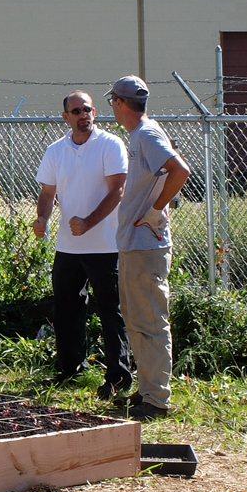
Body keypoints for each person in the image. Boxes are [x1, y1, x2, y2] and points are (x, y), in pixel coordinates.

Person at [32, 91, 130, 398]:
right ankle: (70, 370)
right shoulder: (55, 150)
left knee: (110, 312)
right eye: (75, 111)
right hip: (68, 247)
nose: (82, 114)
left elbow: (118, 190)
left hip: (105, 246)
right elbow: (48, 193)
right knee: (67, 310)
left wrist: (87, 222)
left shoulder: (110, 145)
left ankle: (117, 378)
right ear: (66, 117)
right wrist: (42, 219)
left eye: (86, 109)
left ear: (94, 112)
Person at [107, 76, 191, 420]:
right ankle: (147, 392)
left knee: (151, 322)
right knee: (137, 320)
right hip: (134, 243)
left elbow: (180, 170)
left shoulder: (146, 134)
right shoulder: (140, 134)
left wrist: (156, 210)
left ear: (118, 103)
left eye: (113, 100)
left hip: (145, 245)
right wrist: (156, 201)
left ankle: (156, 400)